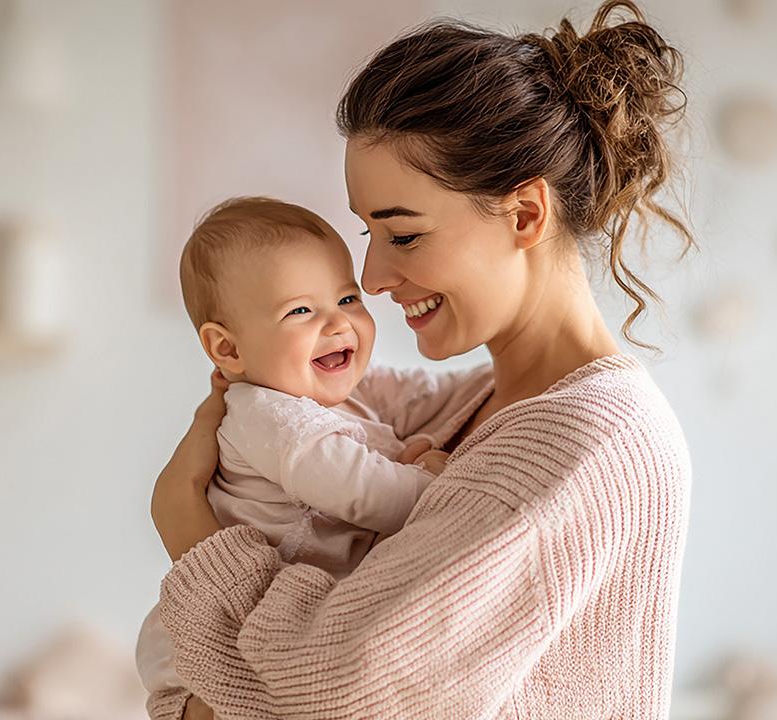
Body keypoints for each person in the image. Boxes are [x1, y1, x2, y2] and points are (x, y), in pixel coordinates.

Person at [151, 1, 695, 717]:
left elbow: (337, 690)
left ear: (526, 215)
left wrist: (188, 531)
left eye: (403, 236)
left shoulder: (590, 444)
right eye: (366, 234)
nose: (371, 279)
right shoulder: (472, 406)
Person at [135, 196, 493, 715]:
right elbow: (363, 493)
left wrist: (521, 364)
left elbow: (431, 394)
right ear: (228, 350)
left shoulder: (345, 392)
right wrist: (430, 482)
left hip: (282, 620)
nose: (337, 323)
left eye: (347, 299)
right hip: (212, 640)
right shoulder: (265, 414)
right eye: (300, 310)